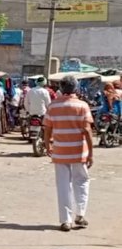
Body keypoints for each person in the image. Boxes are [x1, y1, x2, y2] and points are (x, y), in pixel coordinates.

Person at [43, 75, 94, 232]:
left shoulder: (53, 106)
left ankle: (66, 220)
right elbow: (87, 130)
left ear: (61, 88)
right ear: (76, 88)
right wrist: (91, 153)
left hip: (60, 151)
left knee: (63, 185)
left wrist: (47, 145)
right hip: (79, 151)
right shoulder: (82, 106)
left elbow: (48, 129)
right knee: (82, 181)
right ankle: (80, 214)